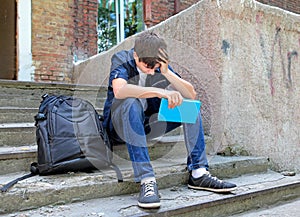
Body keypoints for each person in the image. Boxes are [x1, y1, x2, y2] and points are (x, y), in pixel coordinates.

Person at [102, 31, 237, 209]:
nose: (152, 70)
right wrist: (160, 92)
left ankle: (198, 172)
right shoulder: (122, 59)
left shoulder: (159, 67)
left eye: (155, 66)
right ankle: (147, 179)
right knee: (130, 102)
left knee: (189, 108)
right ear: (136, 55)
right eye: (147, 65)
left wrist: (167, 72)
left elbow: (191, 93)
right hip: (119, 127)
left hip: (145, 126)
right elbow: (120, 90)